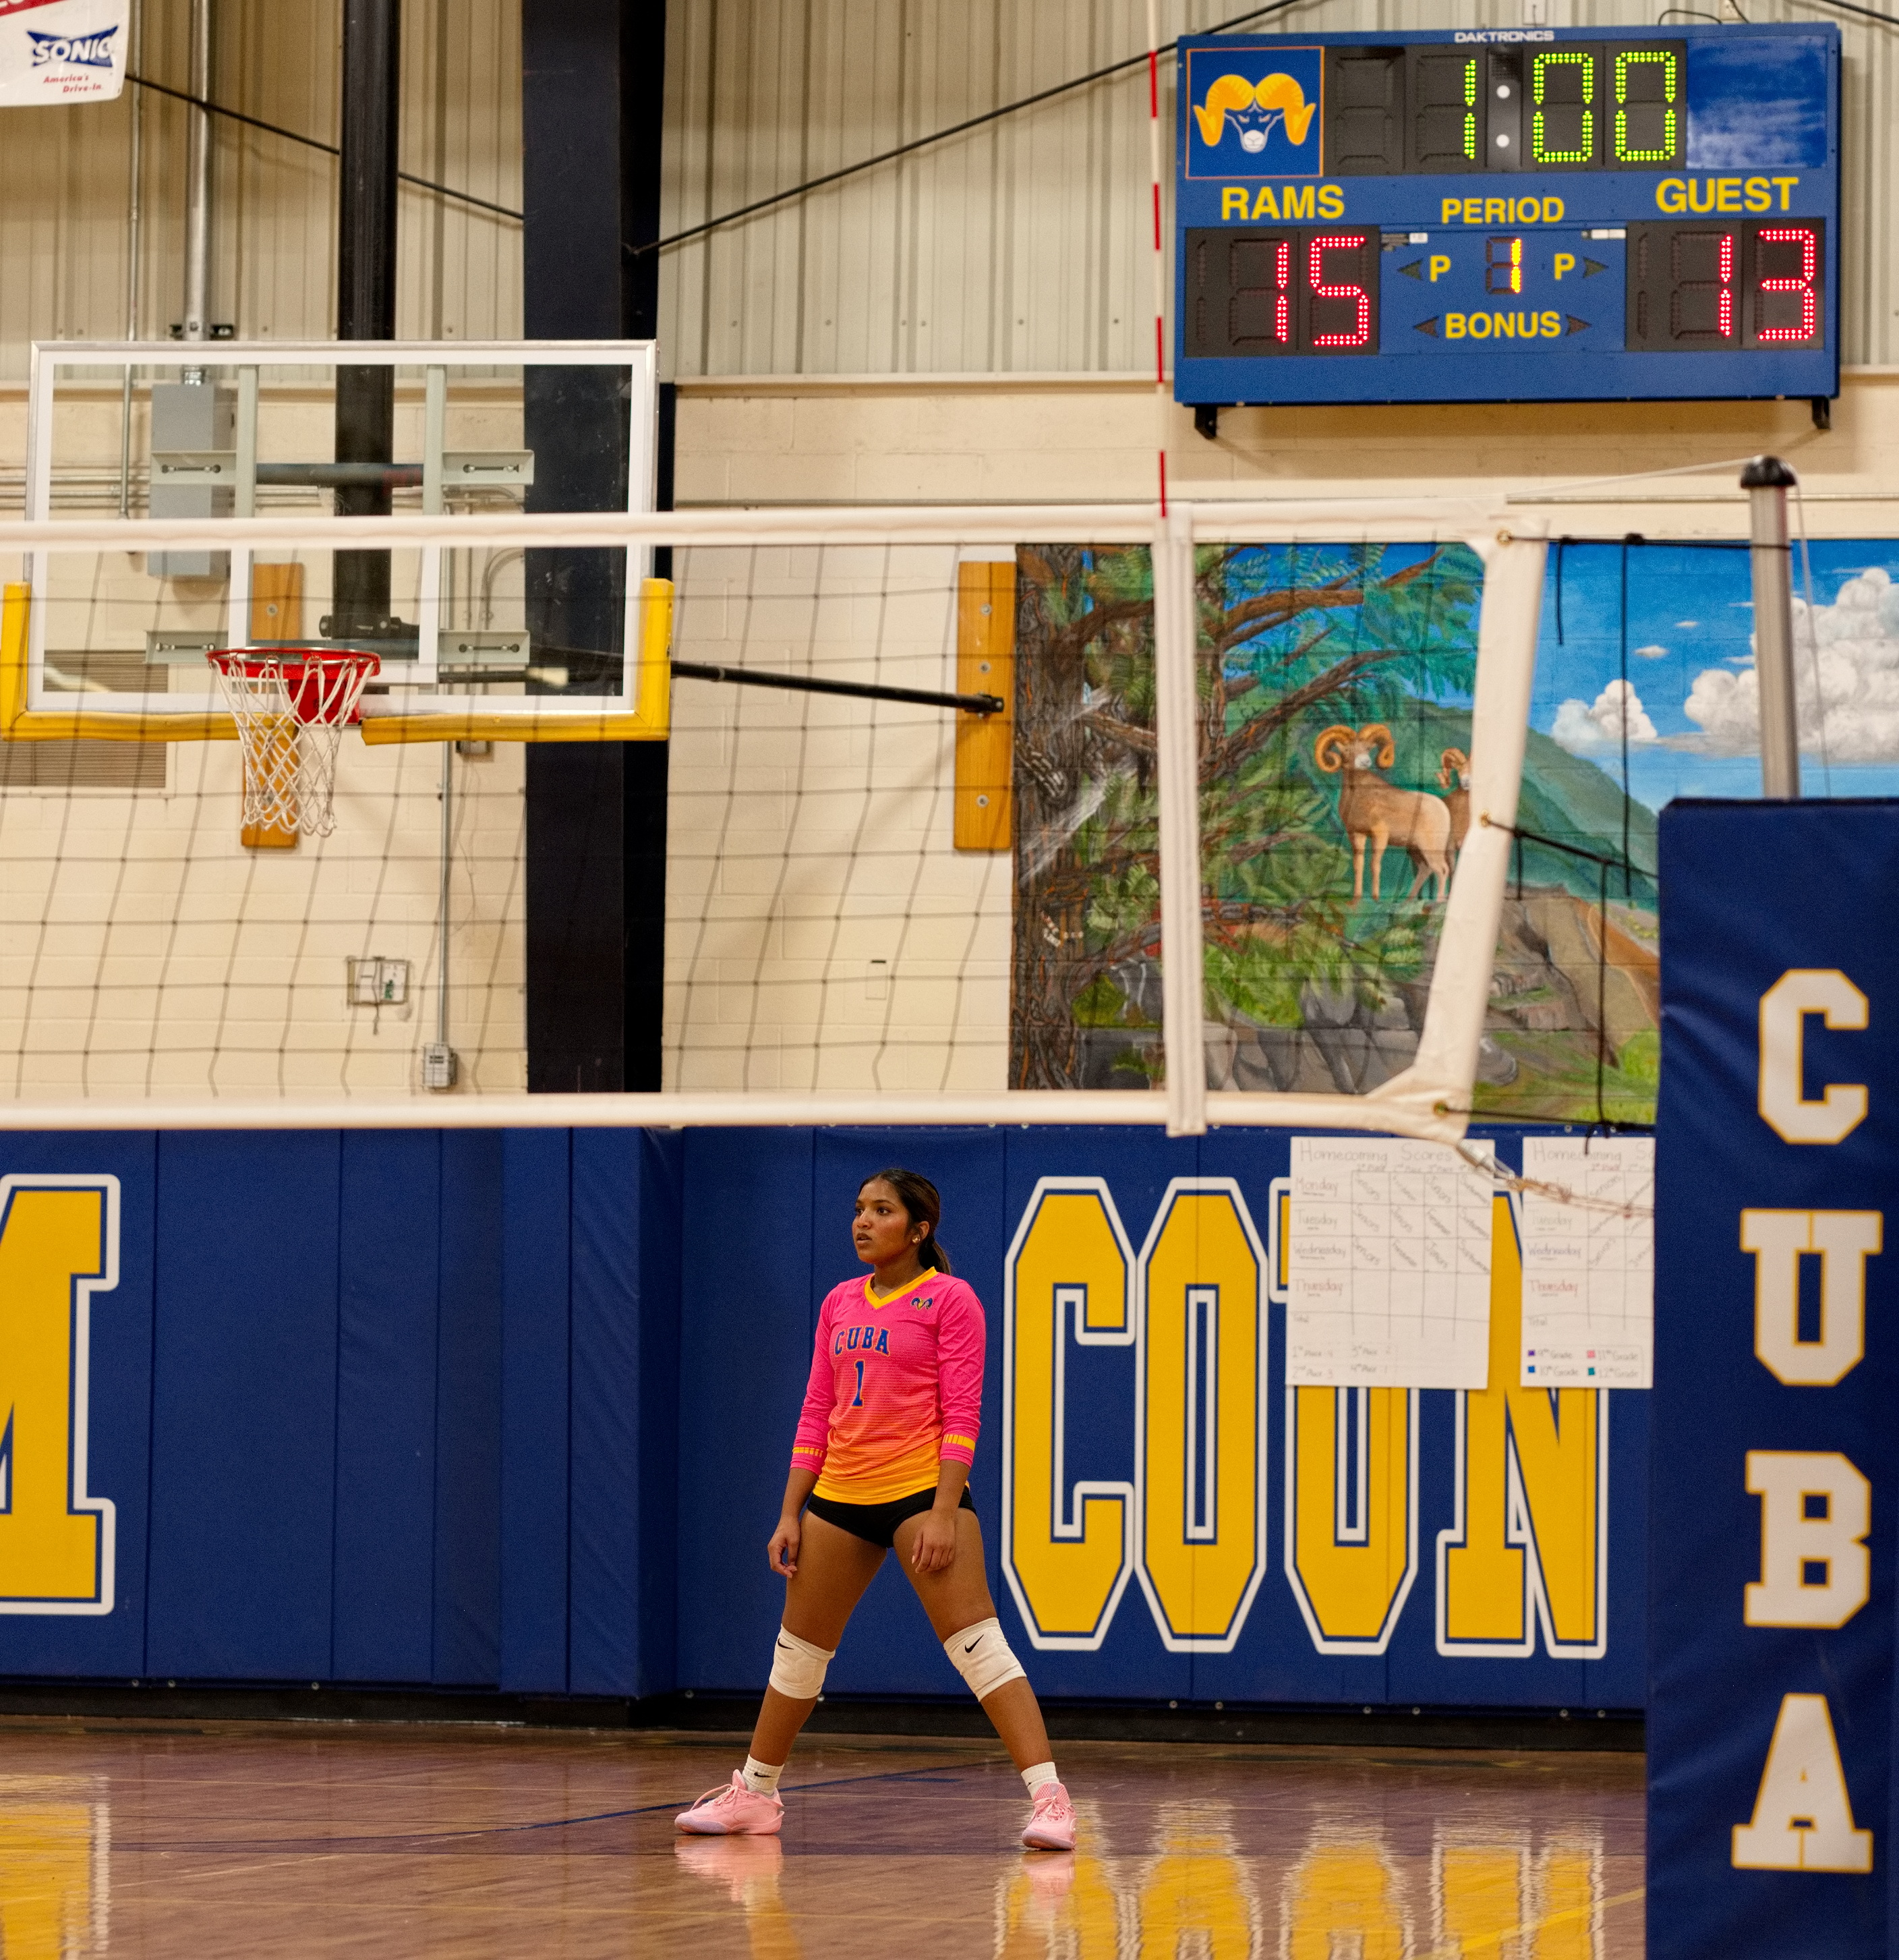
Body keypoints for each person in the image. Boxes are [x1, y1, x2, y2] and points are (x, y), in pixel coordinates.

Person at [675, 1167, 1076, 1852]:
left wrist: (946, 1509)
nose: (862, 1220)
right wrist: (789, 1511)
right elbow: (814, 1411)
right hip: (840, 1494)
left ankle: (1051, 1798)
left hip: (921, 1489)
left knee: (979, 1647)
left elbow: (963, 1412)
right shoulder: (839, 1301)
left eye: (881, 1210)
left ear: (918, 1229)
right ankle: (757, 1792)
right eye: (859, 1207)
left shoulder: (949, 1299)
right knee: (797, 1655)